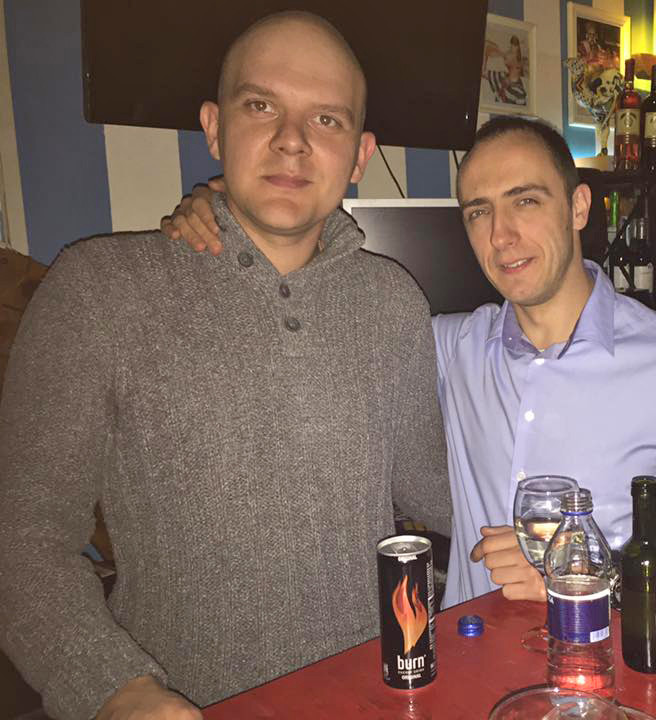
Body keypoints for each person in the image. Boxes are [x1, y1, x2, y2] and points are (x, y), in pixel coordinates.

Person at [0, 12, 450, 720]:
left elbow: (438, 487)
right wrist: (115, 689)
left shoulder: (394, 301)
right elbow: (21, 536)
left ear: (360, 155)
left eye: (326, 119)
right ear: (215, 127)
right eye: (261, 105)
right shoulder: (98, 289)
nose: (293, 139)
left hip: (378, 697)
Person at [166, 116, 656, 609]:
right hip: (469, 651)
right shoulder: (452, 345)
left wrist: (597, 580)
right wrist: (232, 219)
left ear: (578, 207)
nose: (501, 235)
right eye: (479, 212)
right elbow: (318, 315)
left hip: (615, 650)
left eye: (525, 201)